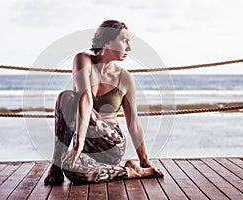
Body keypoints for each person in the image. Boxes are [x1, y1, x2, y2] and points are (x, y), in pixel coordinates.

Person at [44, 19, 164, 185]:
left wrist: (144, 161)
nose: (128, 47)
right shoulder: (83, 60)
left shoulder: (125, 79)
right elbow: (85, 98)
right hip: (85, 145)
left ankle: (136, 171)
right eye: (124, 41)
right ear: (108, 41)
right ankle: (59, 166)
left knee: (69, 98)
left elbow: (134, 125)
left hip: (111, 144)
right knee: (72, 172)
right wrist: (79, 144)